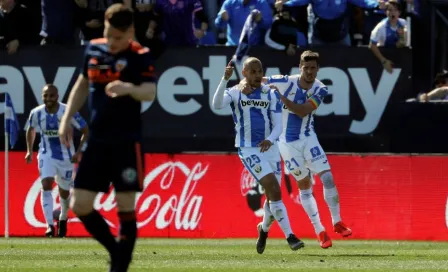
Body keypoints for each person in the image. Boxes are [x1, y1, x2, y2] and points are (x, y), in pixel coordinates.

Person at [58, 4, 157, 272]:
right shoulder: (92, 49)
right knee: (79, 205)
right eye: (108, 35)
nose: (112, 43)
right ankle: (117, 251)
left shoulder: (140, 55)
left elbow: (149, 92)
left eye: (118, 38)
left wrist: (128, 88)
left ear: (131, 32)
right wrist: (66, 119)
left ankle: (119, 266)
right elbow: (82, 83)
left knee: (125, 205)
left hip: (126, 141)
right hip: (97, 142)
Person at [241, 50, 352, 249]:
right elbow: (257, 78)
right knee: (304, 184)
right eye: (306, 67)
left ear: (318, 69)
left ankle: (337, 221)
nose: (309, 72)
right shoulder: (286, 81)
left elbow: (302, 111)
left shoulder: (321, 89)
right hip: (286, 144)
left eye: (313, 68)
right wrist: (243, 84)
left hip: (309, 137)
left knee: (327, 178)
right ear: (299, 68)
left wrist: (281, 98)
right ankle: (320, 230)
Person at [212, 57, 304, 254]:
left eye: (259, 71)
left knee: (274, 196)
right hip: (248, 149)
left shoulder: (270, 94)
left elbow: (278, 124)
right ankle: (290, 236)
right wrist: (224, 80)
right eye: (252, 71)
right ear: (244, 73)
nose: (257, 75)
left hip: (270, 148)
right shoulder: (236, 92)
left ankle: (263, 230)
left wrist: (270, 139)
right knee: (273, 188)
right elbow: (216, 104)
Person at [25, 84, 89, 238]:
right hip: (45, 154)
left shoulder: (68, 112)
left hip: (66, 157)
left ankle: (63, 218)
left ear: (57, 97)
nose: (48, 99)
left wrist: (79, 151)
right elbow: (30, 129)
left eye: (51, 96)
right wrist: (29, 151)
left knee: (64, 192)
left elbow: (86, 131)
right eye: (45, 96)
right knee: (46, 184)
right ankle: (49, 226)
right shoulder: (36, 113)